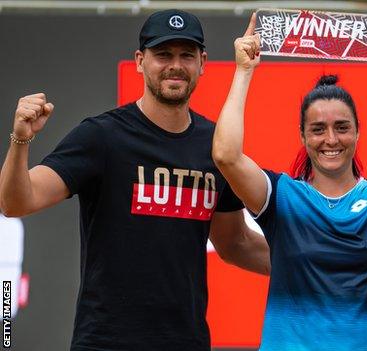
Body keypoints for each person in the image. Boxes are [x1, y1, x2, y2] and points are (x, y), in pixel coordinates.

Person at [0, 9, 269, 351]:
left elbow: (235, 243)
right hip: (106, 343)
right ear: (141, 61)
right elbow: (15, 202)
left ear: (202, 62)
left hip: (186, 342)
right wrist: (20, 141)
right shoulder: (102, 137)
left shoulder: (216, 146)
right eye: (163, 54)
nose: (175, 65)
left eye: (186, 55)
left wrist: (321, 263)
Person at [213, 15, 367, 350]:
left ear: (358, 132)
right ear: (302, 135)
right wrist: (244, 71)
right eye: (318, 129)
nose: (331, 139)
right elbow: (226, 155)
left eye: (342, 127)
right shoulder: (282, 198)